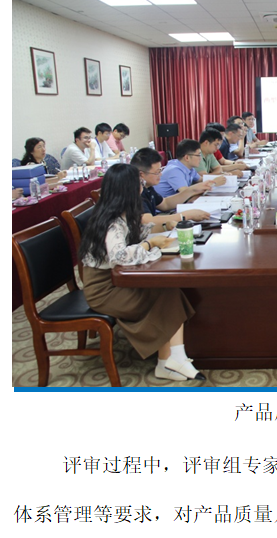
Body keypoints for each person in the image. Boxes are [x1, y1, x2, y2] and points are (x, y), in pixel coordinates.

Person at [79, 163, 204, 381]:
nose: (142, 187)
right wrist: (149, 245)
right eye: (139, 183)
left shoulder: (119, 211)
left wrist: (165, 227)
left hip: (115, 279)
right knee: (164, 294)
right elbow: (119, 257)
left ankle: (170, 360)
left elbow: (139, 231)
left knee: (169, 290)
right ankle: (173, 359)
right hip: (104, 289)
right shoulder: (111, 221)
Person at [131, 147, 214, 229]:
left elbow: (165, 204)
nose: (160, 174)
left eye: (160, 170)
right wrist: (185, 216)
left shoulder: (148, 187)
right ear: (141, 174)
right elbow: (148, 221)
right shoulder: (135, 191)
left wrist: (192, 190)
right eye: (157, 172)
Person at [154, 139, 226, 199]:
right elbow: (186, 194)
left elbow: (200, 179)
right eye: (198, 155)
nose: (200, 159)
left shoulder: (189, 168)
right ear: (187, 158)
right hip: (167, 209)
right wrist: (213, 183)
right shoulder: (174, 170)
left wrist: (221, 176)